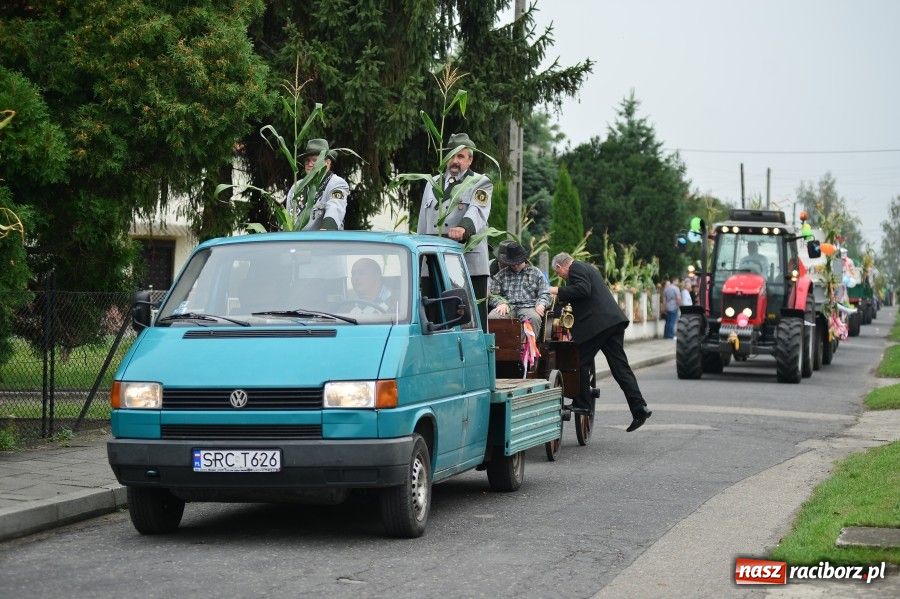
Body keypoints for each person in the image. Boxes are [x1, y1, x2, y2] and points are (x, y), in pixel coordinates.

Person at [549, 253, 652, 432]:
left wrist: (555, 290)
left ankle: (583, 403)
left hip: (598, 325)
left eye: (558, 274)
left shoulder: (576, 268)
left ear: (560, 267)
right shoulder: (586, 268)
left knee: (578, 361)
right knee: (620, 368)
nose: (560, 277)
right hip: (611, 323)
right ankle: (639, 409)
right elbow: (581, 295)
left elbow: (582, 290)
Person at [417, 132, 492, 328]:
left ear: (470, 159)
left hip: (467, 262)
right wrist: (419, 260)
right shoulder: (431, 182)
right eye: (452, 155)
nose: (455, 161)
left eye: (460, 156)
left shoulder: (480, 182)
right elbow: (422, 224)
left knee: (470, 319)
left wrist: (463, 228)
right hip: (433, 262)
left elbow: (478, 211)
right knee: (433, 317)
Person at [286, 138, 350, 231]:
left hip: (324, 241)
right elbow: (289, 218)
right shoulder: (297, 186)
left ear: (327, 162)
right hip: (297, 243)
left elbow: (335, 209)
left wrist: (324, 234)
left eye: (315, 160)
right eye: (307, 160)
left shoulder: (337, 183)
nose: (310, 164)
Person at [488, 240, 551, 334]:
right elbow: (493, 295)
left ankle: (527, 347)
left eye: (518, 263)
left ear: (524, 259)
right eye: (513, 263)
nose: (515, 265)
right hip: (508, 306)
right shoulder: (501, 275)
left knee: (534, 318)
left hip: (529, 307)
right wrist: (500, 303)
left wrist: (541, 304)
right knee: (493, 317)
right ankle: (499, 347)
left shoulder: (536, 273)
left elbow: (545, 293)